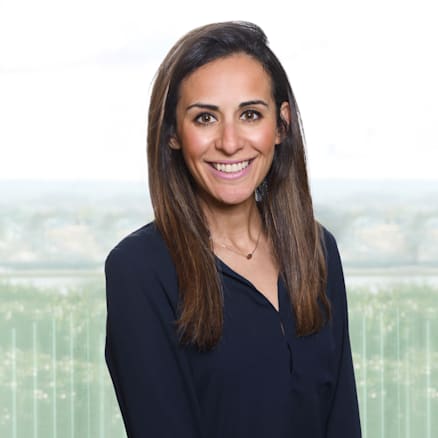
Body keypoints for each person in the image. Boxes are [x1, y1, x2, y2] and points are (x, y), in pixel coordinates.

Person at [104, 21, 362, 438]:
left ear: (281, 125)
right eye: (205, 117)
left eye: (250, 115)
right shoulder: (139, 270)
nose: (229, 142)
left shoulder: (317, 249)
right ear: (172, 133)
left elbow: (343, 422)